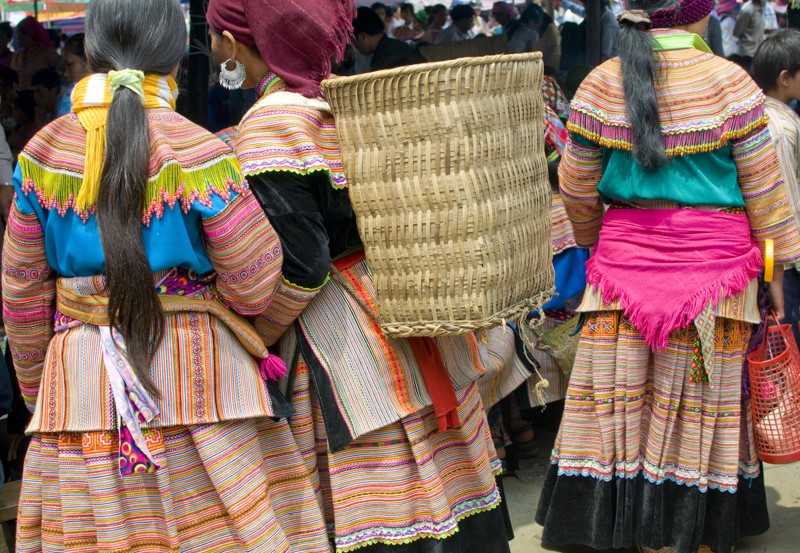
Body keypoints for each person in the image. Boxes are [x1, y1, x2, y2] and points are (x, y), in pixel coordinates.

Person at [3, 0, 333, 551]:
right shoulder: (201, 149)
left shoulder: (41, 154)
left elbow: (21, 295)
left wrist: (45, 393)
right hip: (202, 379)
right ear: (178, 56)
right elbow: (254, 277)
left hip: (81, 384)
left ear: (92, 51)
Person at [206, 0, 512, 551]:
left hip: (342, 329)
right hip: (401, 296)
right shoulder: (346, 100)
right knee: (445, 469)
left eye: (212, 37)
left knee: (384, 486)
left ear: (231, 43)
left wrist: (259, 334)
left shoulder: (268, 127)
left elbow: (305, 266)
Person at [536, 0, 800, 552]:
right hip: (717, 279)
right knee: (700, 403)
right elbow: (766, 197)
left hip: (621, 272)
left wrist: (594, 244)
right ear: (701, 14)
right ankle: (687, 533)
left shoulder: (600, 82)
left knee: (622, 396)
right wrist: (774, 271)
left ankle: (621, 528)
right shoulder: (730, 82)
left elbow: (576, 187)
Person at [753, 29, 800, 345]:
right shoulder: (779, 130)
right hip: (786, 264)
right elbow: (780, 208)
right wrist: (776, 278)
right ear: (785, 78)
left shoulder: (777, 117)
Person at [352, 6, 427, 71]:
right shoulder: (394, 46)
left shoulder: (383, 60)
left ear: (362, 36)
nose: (355, 46)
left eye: (353, 41)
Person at [10, 16, 60, 88]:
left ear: (28, 35)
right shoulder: (16, 56)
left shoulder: (48, 54)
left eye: (18, 33)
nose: (16, 37)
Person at [57, 33, 91, 117]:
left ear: (87, 61)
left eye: (69, 64)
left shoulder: (98, 93)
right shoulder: (71, 89)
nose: (65, 72)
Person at [7, 89, 38, 158]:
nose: (14, 112)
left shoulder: (31, 128)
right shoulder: (20, 126)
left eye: (16, 109)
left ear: (24, 111)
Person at [734, 0, 766, 64]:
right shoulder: (747, 10)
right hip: (747, 54)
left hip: (758, 52)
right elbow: (737, 32)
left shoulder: (761, 8)